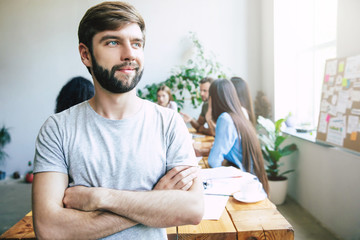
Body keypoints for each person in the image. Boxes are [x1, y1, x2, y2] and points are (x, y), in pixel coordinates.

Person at [32, 2, 204, 240]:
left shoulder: (169, 123)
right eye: (113, 42)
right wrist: (154, 200)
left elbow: (192, 209)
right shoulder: (57, 129)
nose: (129, 54)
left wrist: (100, 198)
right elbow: (49, 229)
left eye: (137, 43)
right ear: (86, 54)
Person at [205, 79, 269, 194]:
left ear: (213, 99)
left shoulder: (225, 119)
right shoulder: (238, 116)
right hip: (252, 185)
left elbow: (213, 161)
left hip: (243, 188)